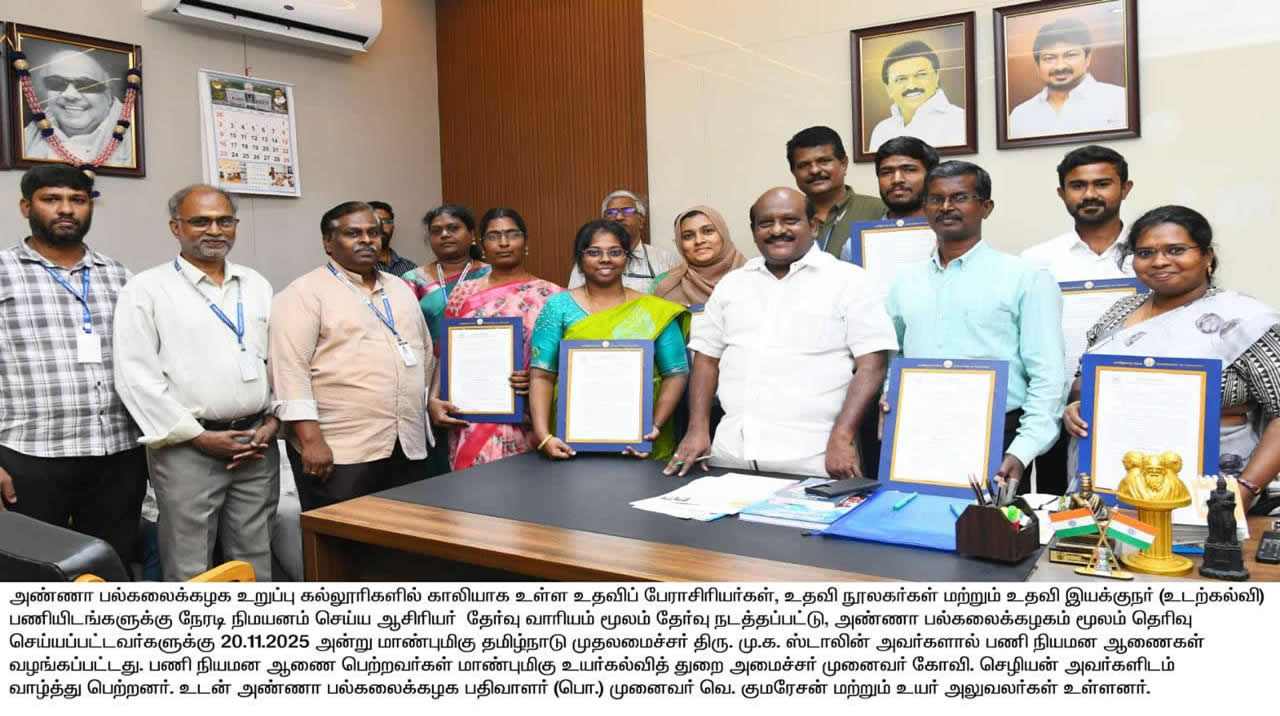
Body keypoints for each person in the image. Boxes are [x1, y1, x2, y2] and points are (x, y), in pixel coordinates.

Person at [666, 188, 897, 478]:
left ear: (813, 226)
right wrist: (697, 429)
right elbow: (706, 359)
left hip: (816, 459)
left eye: (790, 220)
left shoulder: (850, 281)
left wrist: (843, 435)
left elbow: (872, 364)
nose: (777, 230)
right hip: (731, 457)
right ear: (753, 231)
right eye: (766, 223)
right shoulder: (732, 285)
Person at [1064, 205, 1280, 509]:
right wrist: (1076, 407)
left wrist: (1246, 489)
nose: (1159, 261)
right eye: (1145, 253)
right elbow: (1084, 378)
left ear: (1207, 256)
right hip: (1113, 481)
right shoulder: (1119, 312)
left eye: (1176, 250)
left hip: (1214, 492)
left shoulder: (1246, 319)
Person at [113, 185, 278, 581]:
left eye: (224, 221)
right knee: (190, 566)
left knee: (255, 557)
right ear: (176, 227)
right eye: (201, 221)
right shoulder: (147, 289)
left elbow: (278, 359)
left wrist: (274, 420)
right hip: (187, 449)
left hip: (256, 443)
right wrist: (198, 437)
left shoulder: (256, 284)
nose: (215, 230)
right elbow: (135, 377)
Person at [884, 161, 1065, 499]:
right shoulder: (904, 282)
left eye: (960, 197)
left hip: (998, 435)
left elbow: (1048, 375)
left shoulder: (1026, 278)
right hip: (917, 433)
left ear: (986, 207)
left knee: (987, 530)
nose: (946, 207)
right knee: (914, 523)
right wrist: (888, 399)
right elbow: (894, 356)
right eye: (936, 199)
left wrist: (1022, 450)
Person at [0, 164, 145, 564]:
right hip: (29, 455)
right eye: (52, 199)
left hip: (117, 454)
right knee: (31, 573)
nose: (66, 209)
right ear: (26, 207)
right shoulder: (4, 272)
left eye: (77, 200)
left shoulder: (119, 276)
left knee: (109, 567)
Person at [270, 202, 432, 510]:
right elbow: (289, 371)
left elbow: (423, 352)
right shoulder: (304, 293)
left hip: (405, 444)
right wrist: (311, 441)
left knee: (403, 531)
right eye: (353, 233)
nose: (366, 240)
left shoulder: (400, 288)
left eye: (373, 232)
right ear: (328, 242)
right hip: (340, 450)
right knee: (342, 537)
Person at [1021, 145, 1134, 494]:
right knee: (1058, 507)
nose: (1089, 194)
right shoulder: (1036, 260)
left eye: (1102, 184)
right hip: (1053, 406)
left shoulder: (1149, 255)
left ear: (1125, 188)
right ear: (1062, 193)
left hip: (1131, 401)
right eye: (1078, 185)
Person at [531, 220, 690, 462]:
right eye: (594, 252)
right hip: (570, 441)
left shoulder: (655, 310)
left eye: (615, 252)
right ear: (580, 258)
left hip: (643, 442)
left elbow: (676, 373)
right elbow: (542, 375)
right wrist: (544, 436)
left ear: (627, 257)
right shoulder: (558, 307)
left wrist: (655, 426)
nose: (605, 259)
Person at [429, 208, 562, 470]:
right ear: (481, 243)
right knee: (471, 491)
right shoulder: (463, 292)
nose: (503, 242)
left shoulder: (553, 296)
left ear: (525, 242)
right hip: (470, 419)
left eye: (512, 234)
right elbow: (446, 352)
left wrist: (538, 378)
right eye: (494, 236)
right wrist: (433, 398)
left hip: (529, 419)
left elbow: (562, 362)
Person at [1008, 18, 1127, 139]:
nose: (1060, 66)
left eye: (1070, 55)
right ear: (1037, 64)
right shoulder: (1020, 116)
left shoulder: (1120, 100)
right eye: (1049, 58)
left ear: (1088, 58)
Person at [786, 126, 885, 259]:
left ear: (844, 164)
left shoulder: (879, 211)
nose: (814, 170)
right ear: (794, 172)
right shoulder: (786, 217)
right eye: (804, 165)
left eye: (824, 161)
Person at [22, 50, 133, 166]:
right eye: (57, 83)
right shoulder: (26, 138)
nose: (70, 95)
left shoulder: (134, 141)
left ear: (108, 94)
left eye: (85, 84)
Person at [837, 136, 939, 262]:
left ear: (931, 177)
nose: (897, 179)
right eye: (886, 172)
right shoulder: (856, 245)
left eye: (909, 170)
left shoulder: (952, 235)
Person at [403, 204, 491, 351]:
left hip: (483, 355)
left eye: (453, 228)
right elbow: (404, 326)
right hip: (429, 360)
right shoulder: (414, 279)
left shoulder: (491, 274)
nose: (444, 234)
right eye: (436, 231)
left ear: (472, 235)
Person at [567, 190, 679, 292]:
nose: (619, 217)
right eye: (611, 212)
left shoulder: (664, 259)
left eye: (627, 211)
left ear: (641, 221)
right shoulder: (589, 261)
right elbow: (574, 300)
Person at [866, 40, 966, 152]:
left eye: (921, 75)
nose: (912, 86)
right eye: (901, 79)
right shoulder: (882, 130)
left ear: (937, 76)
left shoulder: (961, 121)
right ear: (888, 88)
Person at [651, 205, 746, 307]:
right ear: (679, 243)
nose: (699, 241)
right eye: (688, 236)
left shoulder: (753, 275)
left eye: (708, 231)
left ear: (723, 233)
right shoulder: (665, 287)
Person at [368, 201, 417, 276]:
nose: (380, 226)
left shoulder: (410, 268)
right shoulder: (356, 267)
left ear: (392, 228)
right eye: (374, 221)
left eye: (385, 221)